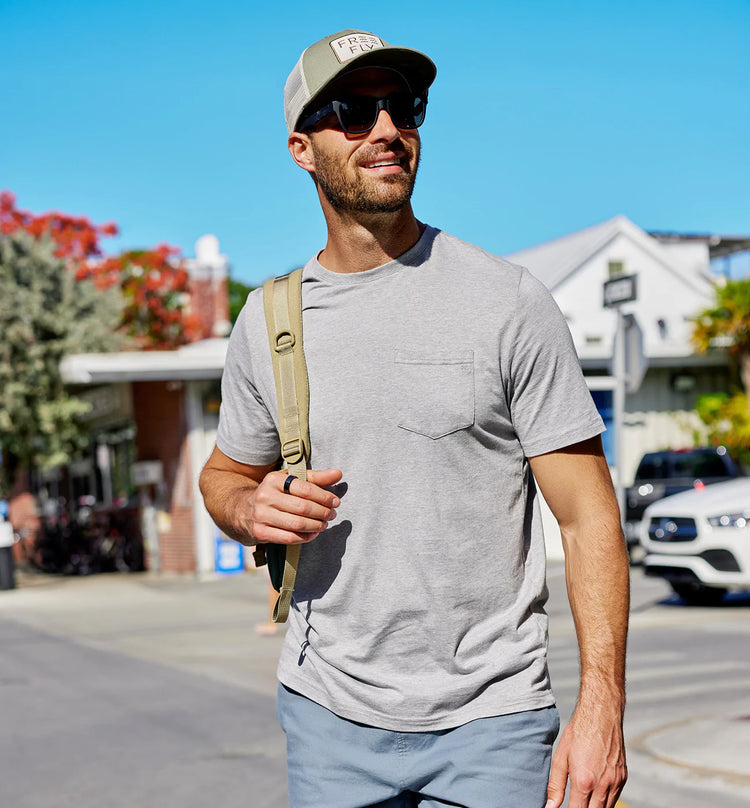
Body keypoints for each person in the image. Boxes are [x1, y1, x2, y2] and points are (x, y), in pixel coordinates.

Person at [200, 28, 629, 808]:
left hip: (491, 722)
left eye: (403, 107)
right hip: (328, 717)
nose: (388, 129)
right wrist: (247, 507)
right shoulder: (269, 321)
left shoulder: (509, 301)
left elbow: (588, 515)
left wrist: (602, 708)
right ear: (302, 147)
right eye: (353, 112)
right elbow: (225, 475)